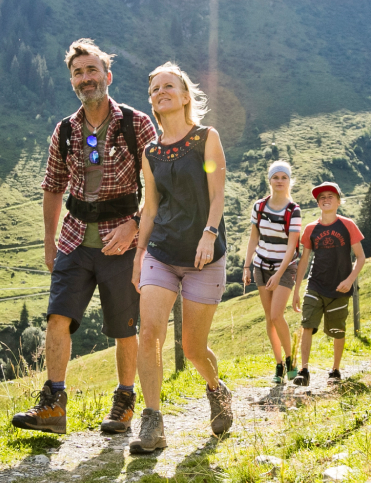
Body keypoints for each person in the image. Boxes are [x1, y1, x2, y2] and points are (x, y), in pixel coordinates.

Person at [11, 39, 159, 436]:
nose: (85, 78)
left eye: (92, 70)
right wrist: (49, 243)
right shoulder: (65, 130)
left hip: (123, 243)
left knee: (125, 327)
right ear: (72, 81)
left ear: (107, 76)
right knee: (58, 318)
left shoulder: (137, 124)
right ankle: (53, 405)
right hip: (74, 241)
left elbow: (162, 185)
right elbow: (53, 186)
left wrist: (135, 226)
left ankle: (124, 404)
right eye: (78, 73)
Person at [130, 62, 232, 453]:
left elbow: (218, 193)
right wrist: (140, 253)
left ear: (186, 95)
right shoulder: (151, 152)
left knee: (192, 348)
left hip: (205, 256)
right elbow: (151, 209)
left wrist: (209, 234)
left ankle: (215, 388)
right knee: (150, 333)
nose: (160, 92)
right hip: (161, 252)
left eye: (168, 86)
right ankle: (152, 423)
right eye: (154, 89)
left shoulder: (206, 138)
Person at [294, 181, 365, 386]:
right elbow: (304, 260)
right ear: (318, 204)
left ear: (338, 202)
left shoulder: (347, 225)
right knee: (307, 324)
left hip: (339, 288)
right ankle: (303, 371)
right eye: (321, 197)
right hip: (315, 284)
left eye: (330, 196)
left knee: (337, 331)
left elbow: (360, 257)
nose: (326, 200)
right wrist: (297, 290)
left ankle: (335, 371)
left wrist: (349, 280)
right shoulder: (310, 229)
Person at [242, 161, 304, 385]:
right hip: (261, 265)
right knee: (269, 318)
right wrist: (247, 266)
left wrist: (278, 274)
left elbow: (291, 246)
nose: (279, 181)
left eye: (284, 177)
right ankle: (278, 364)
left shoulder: (293, 210)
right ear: (269, 180)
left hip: (285, 268)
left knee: (277, 314)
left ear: (289, 181)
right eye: (275, 177)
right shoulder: (259, 207)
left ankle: (290, 360)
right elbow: (253, 238)